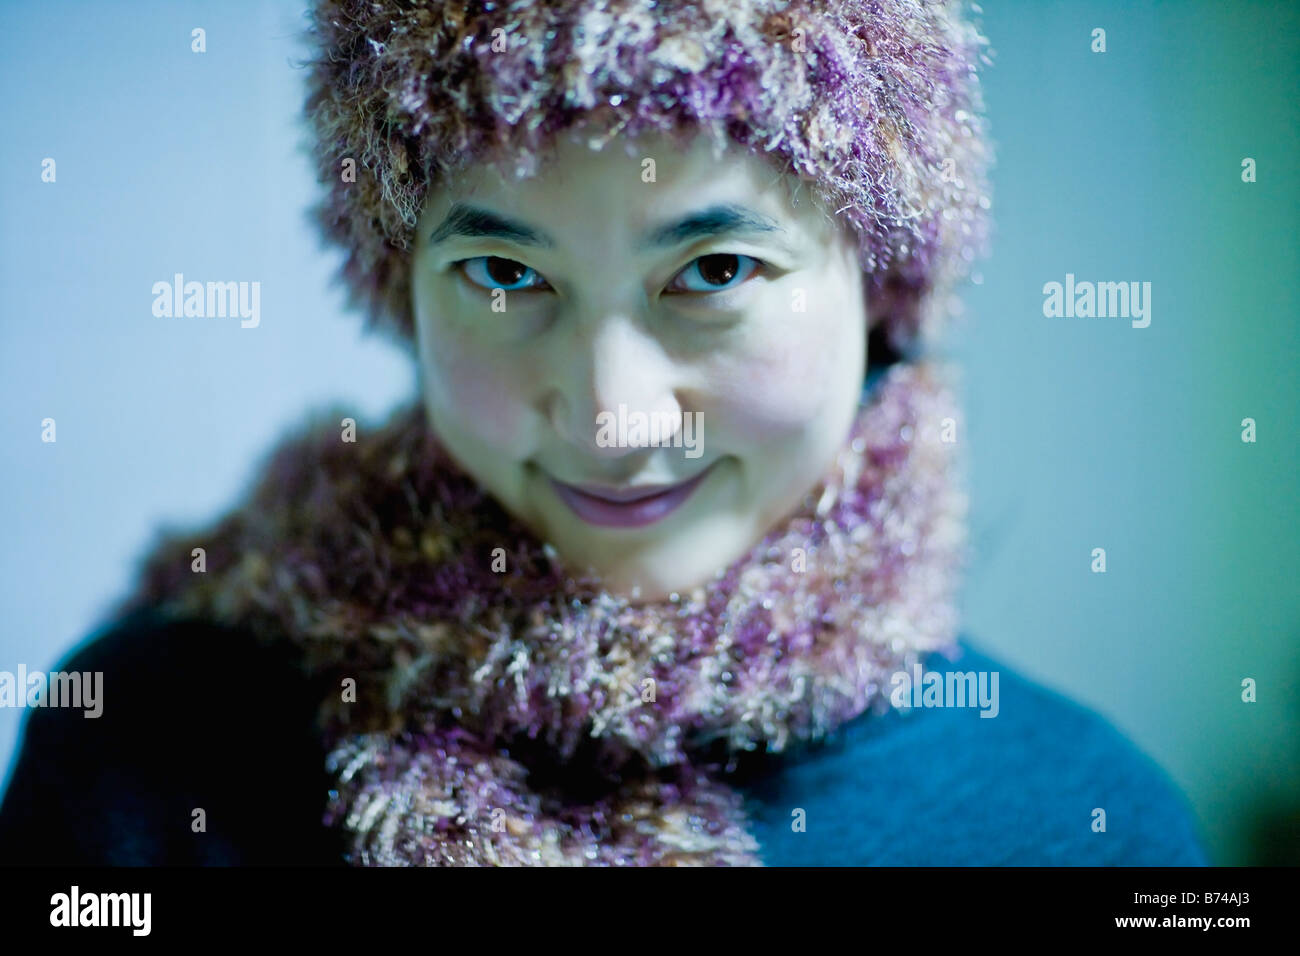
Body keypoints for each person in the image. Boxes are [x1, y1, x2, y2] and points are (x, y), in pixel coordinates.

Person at [0, 0, 1209, 865]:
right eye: (502, 273)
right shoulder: (147, 747)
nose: (613, 417)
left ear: (885, 276)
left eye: (715, 268)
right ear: (395, 285)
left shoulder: (1087, 821)